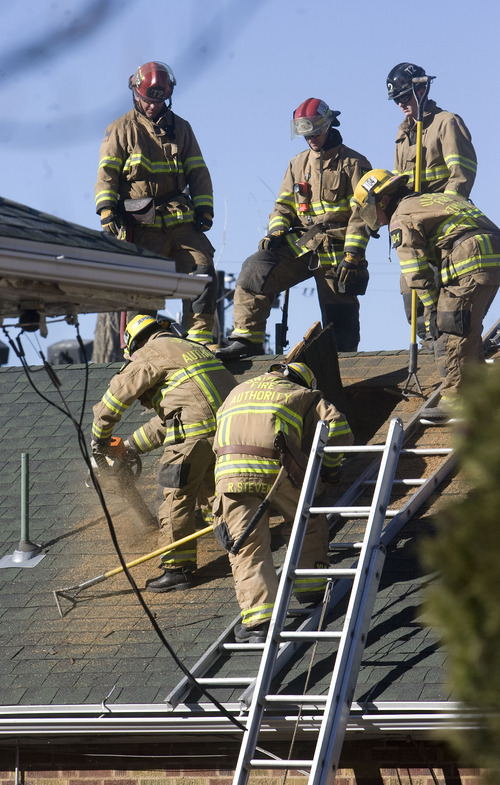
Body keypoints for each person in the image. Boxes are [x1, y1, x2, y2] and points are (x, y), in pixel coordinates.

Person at [215, 98, 372, 360]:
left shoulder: (355, 163)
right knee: (256, 269)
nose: (310, 138)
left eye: (315, 131)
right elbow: (283, 206)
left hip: (338, 251)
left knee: (341, 326)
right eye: (305, 133)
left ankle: (344, 367)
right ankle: (247, 339)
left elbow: (363, 215)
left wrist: (353, 256)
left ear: (329, 125)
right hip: (302, 243)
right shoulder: (296, 164)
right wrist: (275, 231)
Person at [91, 313, 237, 591]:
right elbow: (173, 418)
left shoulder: (148, 354)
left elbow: (113, 400)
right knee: (214, 490)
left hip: (195, 437)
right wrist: (131, 447)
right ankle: (231, 539)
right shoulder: (192, 349)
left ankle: (177, 568)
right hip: (229, 431)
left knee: (173, 495)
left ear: (134, 343)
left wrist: (99, 441)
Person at [212, 361, 353, 642]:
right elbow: (337, 427)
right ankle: (311, 586)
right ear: (302, 381)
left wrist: (217, 507)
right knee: (308, 519)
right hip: (276, 468)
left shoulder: (236, 392)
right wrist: (331, 468)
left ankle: (259, 620)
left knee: (246, 544)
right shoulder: (301, 393)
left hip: (228, 476)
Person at [353, 169, 500, 415]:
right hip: (491, 254)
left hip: (467, 258)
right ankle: (481, 388)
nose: (375, 219)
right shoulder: (435, 199)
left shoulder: (401, 217)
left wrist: (431, 307)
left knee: (448, 328)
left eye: (369, 209)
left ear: (383, 201)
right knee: (468, 329)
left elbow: (415, 270)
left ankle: (457, 398)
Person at [95, 62, 217, 345]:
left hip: (181, 220)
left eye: (159, 100)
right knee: (143, 286)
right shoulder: (120, 129)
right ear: (136, 95)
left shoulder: (182, 128)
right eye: (148, 100)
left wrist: (204, 209)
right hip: (141, 225)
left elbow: (199, 172)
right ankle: (141, 349)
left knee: (202, 271)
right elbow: (107, 174)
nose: (152, 106)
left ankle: (199, 341)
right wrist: (107, 210)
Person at [387, 62, 478, 342]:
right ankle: (428, 352)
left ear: (422, 88)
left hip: (441, 226)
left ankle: (447, 355)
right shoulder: (403, 135)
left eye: (405, 96)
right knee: (411, 293)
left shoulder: (446, 122)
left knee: (445, 303)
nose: (401, 104)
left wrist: (439, 214)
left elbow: (461, 176)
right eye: (397, 99)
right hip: (413, 229)